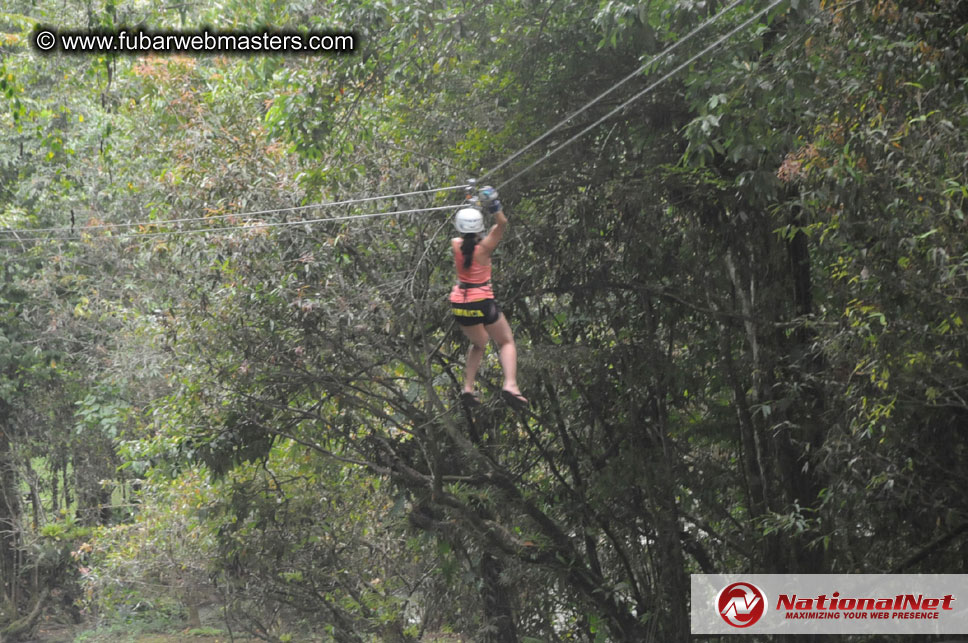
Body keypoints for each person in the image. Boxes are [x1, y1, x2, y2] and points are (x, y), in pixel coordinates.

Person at [449, 190, 528, 410]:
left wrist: (471, 206)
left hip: (460, 303)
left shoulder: (455, 243)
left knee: (479, 344)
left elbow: (466, 232)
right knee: (506, 341)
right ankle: (510, 384)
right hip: (481, 300)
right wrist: (493, 203)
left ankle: (467, 387)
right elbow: (502, 224)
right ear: (479, 227)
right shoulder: (484, 248)